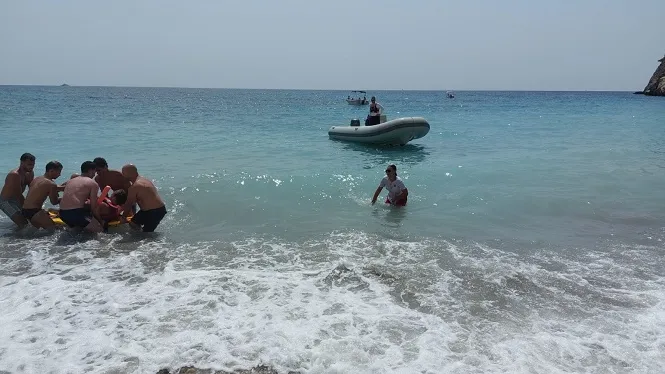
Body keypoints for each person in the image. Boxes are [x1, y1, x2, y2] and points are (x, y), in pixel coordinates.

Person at [58, 161, 103, 232]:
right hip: (76, 213)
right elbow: (94, 207)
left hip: (62, 213)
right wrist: (100, 221)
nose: (95, 174)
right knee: (99, 229)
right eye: (94, 171)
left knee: (78, 230)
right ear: (90, 170)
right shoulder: (92, 183)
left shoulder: (70, 181)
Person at [120, 164, 167, 232]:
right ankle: (139, 239)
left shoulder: (134, 187)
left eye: (123, 173)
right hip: (153, 210)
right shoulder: (145, 180)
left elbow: (128, 204)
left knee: (147, 233)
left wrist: (123, 217)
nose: (122, 175)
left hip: (155, 212)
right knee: (133, 223)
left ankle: (149, 242)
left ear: (127, 174)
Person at [21, 161, 63, 230]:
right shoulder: (51, 184)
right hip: (35, 211)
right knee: (53, 230)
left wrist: (61, 188)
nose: (60, 174)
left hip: (24, 210)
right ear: (51, 171)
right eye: (59, 172)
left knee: (34, 232)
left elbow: (43, 189)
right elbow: (54, 202)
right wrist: (62, 199)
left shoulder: (37, 179)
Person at [0, 153, 36, 228]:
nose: (31, 167)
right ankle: (14, 239)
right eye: (29, 164)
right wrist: (28, 208)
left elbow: (32, 190)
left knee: (31, 220)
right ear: (21, 162)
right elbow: (18, 195)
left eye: (33, 164)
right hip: (6, 201)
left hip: (17, 199)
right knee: (24, 224)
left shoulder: (30, 173)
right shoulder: (15, 175)